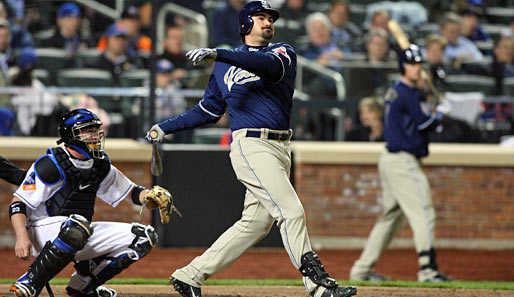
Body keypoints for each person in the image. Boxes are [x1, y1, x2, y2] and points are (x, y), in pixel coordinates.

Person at [146, 2, 357, 297]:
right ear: (245, 24)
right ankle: (318, 285)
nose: (267, 22)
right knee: (291, 212)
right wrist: (165, 127)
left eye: (270, 18)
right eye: (260, 18)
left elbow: (268, 68)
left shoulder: (281, 52)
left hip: (281, 147)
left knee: (255, 224)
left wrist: (220, 53)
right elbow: (208, 110)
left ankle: (189, 275)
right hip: (251, 145)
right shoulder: (223, 65)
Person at [9, 108, 170, 297]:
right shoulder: (51, 164)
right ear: (71, 135)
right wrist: (21, 237)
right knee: (77, 226)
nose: (95, 135)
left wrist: (150, 196)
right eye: (88, 131)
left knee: (143, 237)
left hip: (79, 230)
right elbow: (18, 202)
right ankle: (29, 282)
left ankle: (83, 285)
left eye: (96, 130)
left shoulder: (99, 164)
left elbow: (131, 192)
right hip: (40, 232)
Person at [349, 45, 452, 282]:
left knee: (390, 218)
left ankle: (361, 270)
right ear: (403, 67)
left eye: (419, 64)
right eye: (412, 64)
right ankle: (428, 269)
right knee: (424, 212)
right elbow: (425, 124)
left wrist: (432, 104)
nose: (417, 68)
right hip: (402, 160)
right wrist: (440, 115)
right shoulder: (405, 92)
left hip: (392, 159)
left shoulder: (401, 90)